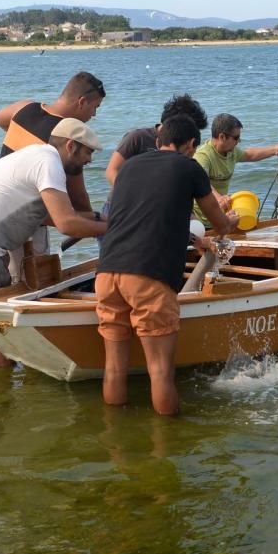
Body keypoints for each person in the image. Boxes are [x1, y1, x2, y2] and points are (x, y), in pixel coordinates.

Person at [96, 115, 237, 415]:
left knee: (113, 368)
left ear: (160, 139)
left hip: (107, 272)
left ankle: (117, 441)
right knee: (160, 371)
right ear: (189, 144)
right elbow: (219, 223)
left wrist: (191, 237)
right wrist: (230, 222)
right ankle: (166, 450)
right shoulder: (190, 167)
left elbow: (143, 215)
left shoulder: (130, 166)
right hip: (149, 276)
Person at [0, 118, 106, 367]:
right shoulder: (49, 163)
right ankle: (0, 390)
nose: (89, 161)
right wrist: (115, 227)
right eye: (88, 152)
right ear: (71, 146)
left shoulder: (39, 155)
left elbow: (51, 217)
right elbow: (66, 224)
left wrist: (97, 219)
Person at [0, 71, 106, 261]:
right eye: (95, 107)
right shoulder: (65, 140)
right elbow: (78, 198)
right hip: (28, 224)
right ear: (82, 102)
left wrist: (18, 138)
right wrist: (95, 224)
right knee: (33, 281)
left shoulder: (25, 108)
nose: (93, 115)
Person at [192, 113, 278, 224]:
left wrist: (274, 150)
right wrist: (219, 198)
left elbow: (249, 155)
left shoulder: (231, 152)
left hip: (220, 215)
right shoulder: (203, 156)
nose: (239, 141)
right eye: (236, 137)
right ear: (222, 137)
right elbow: (201, 181)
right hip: (201, 220)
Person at [104, 93, 208, 186]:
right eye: (191, 129)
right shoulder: (137, 138)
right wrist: (131, 196)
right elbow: (112, 170)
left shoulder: (186, 147)